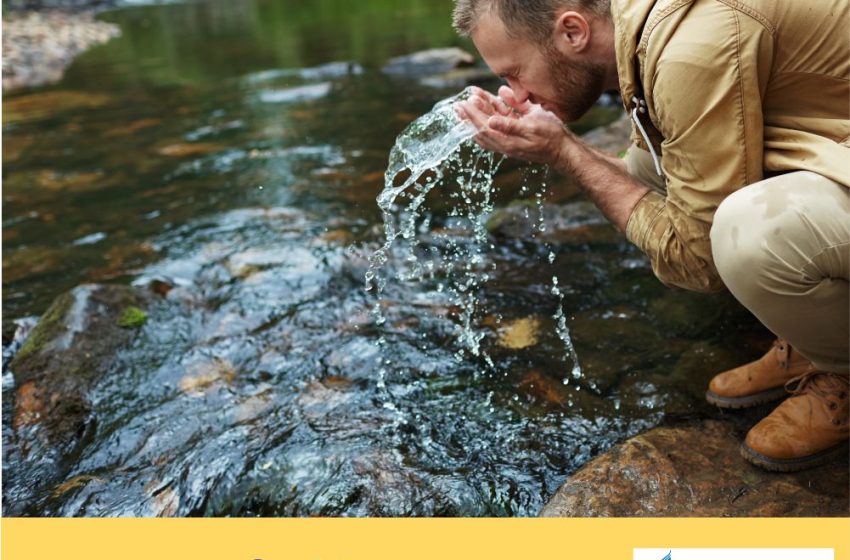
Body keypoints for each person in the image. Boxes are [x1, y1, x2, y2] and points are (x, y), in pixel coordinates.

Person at [453, 0, 849, 472]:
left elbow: (699, 260)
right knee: (648, 167)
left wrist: (564, 153)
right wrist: (560, 142)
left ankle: (841, 368)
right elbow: (650, 189)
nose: (515, 94)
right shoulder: (647, 29)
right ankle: (815, 335)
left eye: (515, 72)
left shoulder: (689, 49)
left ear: (573, 31)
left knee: (751, 237)